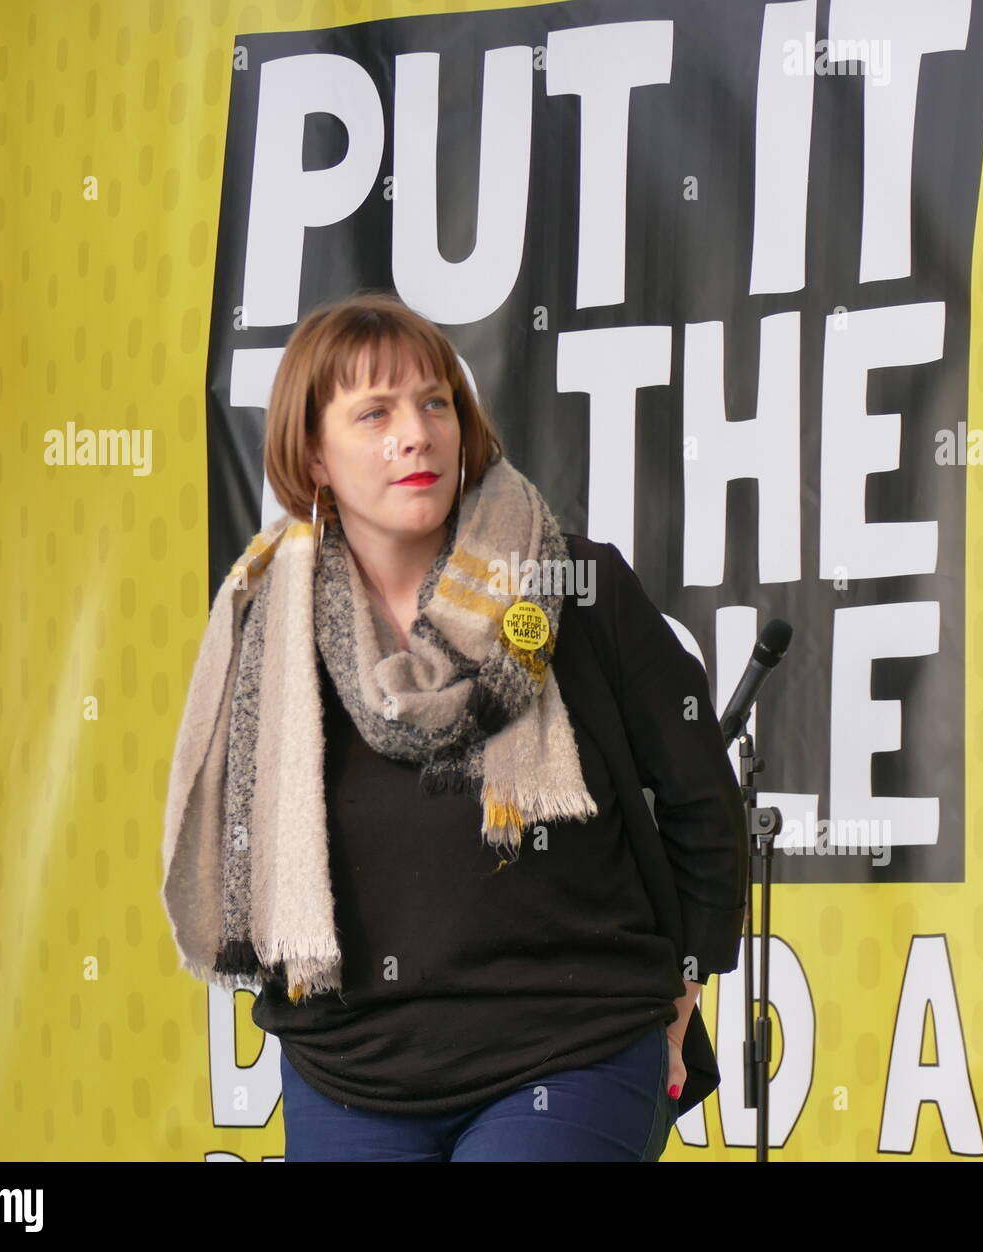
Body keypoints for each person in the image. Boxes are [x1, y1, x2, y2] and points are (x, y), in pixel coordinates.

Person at [161, 291, 748, 1161]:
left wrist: (683, 994)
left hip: (572, 1050)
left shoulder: (579, 590)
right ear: (313, 455)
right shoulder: (268, 632)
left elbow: (705, 807)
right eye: (374, 413)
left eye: (435, 403)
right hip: (349, 1072)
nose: (416, 434)